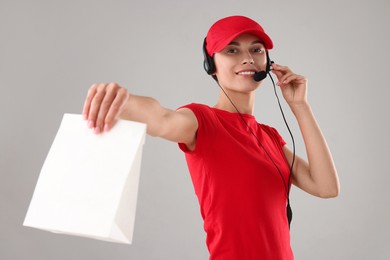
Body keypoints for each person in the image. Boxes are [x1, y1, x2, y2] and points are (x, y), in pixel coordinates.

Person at [82, 15, 339, 260]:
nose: (248, 58)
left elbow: (326, 187)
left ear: (268, 62)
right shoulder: (202, 121)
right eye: (232, 50)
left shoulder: (270, 136)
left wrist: (300, 106)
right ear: (211, 64)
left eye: (257, 49)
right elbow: (161, 118)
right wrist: (122, 100)